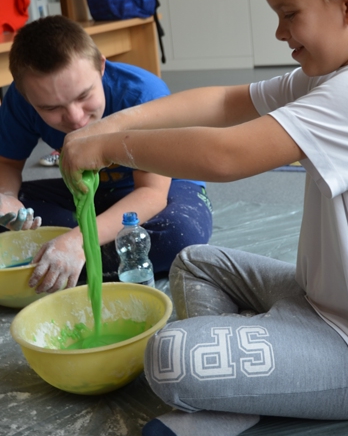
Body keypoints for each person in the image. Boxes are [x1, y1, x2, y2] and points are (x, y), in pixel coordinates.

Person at [59, 0, 348, 436]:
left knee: (168, 358)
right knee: (196, 262)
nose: (280, 33)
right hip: (318, 301)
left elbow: (226, 155)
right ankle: (258, 384)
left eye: (289, 14)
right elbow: (226, 102)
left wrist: (109, 148)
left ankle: (244, 394)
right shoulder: (333, 75)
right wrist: (108, 124)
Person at [0, 15, 213, 293]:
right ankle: (68, 255)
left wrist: (80, 241)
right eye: (51, 108)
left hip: (162, 187)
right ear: (25, 94)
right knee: (5, 215)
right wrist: (7, 197)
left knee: (180, 236)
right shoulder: (20, 100)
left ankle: (60, 257)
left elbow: (151, 193)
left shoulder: (143, 94)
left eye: (83, 96)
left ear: (101, 66)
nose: (76, 118)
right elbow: (7, 163)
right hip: (86, 190)